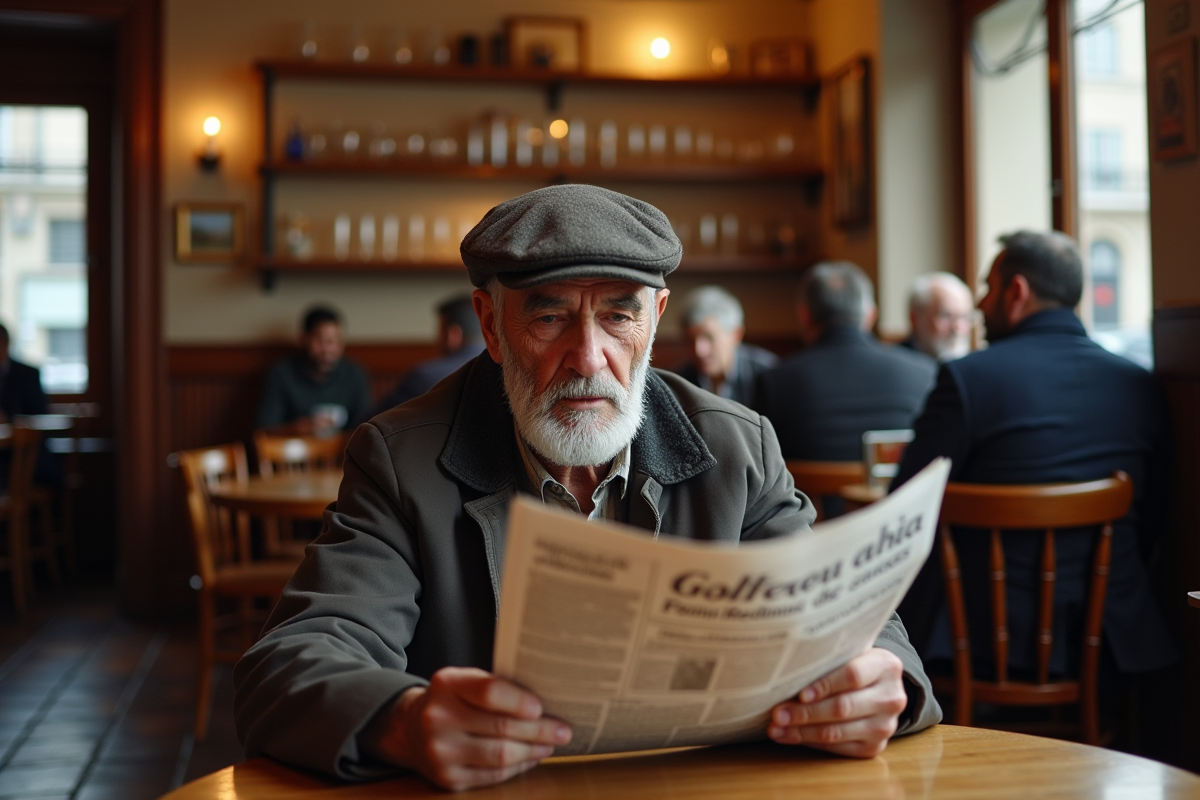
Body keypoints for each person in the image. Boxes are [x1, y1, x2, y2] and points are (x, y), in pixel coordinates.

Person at [234, 186, 941, 791]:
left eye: (618, 315)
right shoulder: (399, 458)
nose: (588, 357)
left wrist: (886, 681)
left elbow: (851, 619)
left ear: (657, 319)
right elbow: (290, 664)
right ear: (490, 324)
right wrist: (404, 721)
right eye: (548, 316)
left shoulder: (737, 445)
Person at [892, 230, 1177, 680]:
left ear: (1017, 291)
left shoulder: (968, 380)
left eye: (988, 288)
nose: (982, 305)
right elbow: (1155, 513)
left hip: (987, 642)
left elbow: (905, 505)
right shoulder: (1139, 384)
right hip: (1112, 637)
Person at [755, 262, 937, 462]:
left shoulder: (775, 382)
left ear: (805, 317)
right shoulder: (924, 373)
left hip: (810, 494)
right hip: (897, 493)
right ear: (870, 315)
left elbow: (764, 464)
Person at [255, 305, 371, 435]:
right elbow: (263, 431)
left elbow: (366, 427)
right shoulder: (281, 374)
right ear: (303, 339)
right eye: (321, 341)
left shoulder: (353, 374)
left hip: (343, 453)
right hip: (294, 452)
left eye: (335, 341)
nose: (328, 350)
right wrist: (297, 429)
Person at [370, 294, 484, 416]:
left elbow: (376, 420)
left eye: (439, 331)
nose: (436, 339)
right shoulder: (500, 369)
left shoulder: (424, 376)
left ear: (453, 335)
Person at [672, 285, 778, 407]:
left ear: (736, 335)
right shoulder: (678, 381)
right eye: (690, 340)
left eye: (709, 337)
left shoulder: (768, 374)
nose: (699, 350)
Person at [901, 272, 974, 362]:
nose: (957, 328)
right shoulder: (898, 366)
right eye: (946, 316)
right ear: (915, 319)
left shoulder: (973, 365)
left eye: (964, 317)